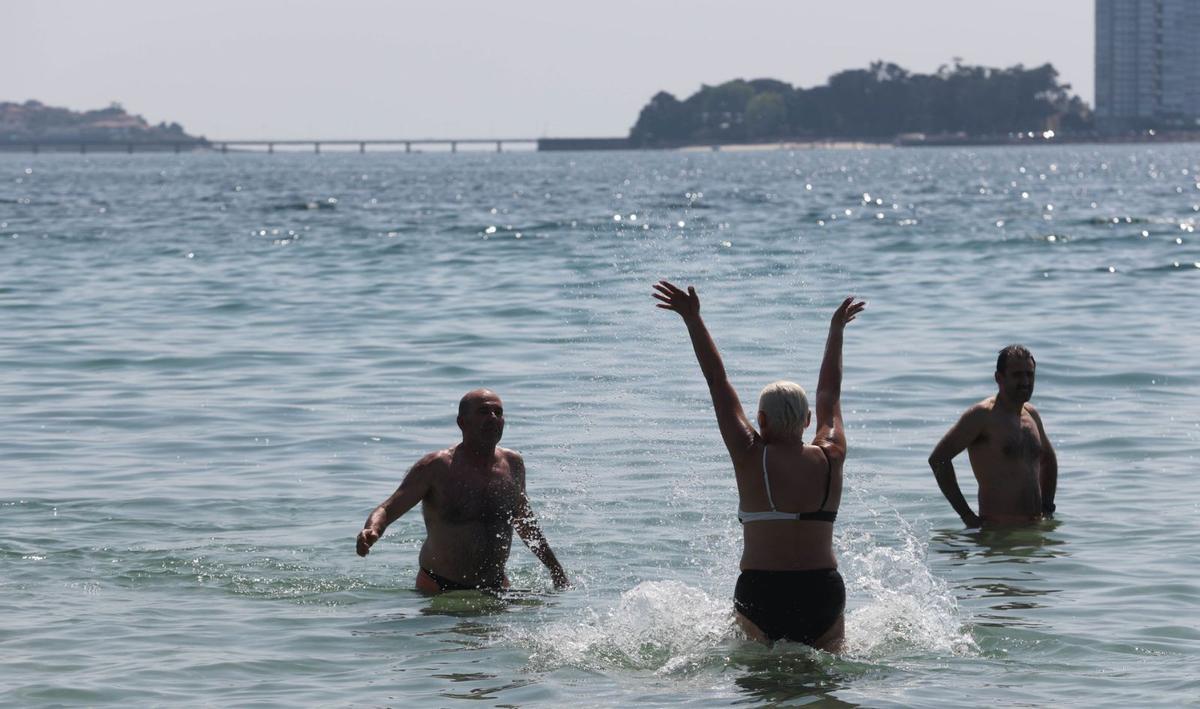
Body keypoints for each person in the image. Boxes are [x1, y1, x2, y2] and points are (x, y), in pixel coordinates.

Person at [653, 280, 866, 652]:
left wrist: (693, 319)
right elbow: (830, 393)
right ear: (807, 421)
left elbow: (717, 381)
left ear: (762, 421)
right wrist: (836, 330)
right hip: (823, 590)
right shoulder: (832, 453)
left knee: (761, 688)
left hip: (762, 591)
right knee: (827, 687)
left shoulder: (750, 454)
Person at [355, 389, 569, 593]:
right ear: (462, 422)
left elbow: (524, 522)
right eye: (484, 412)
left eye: (498, 413)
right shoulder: (437, 466)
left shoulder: (513, 464)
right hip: (439, 588)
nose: (493, 418)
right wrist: (372, 530)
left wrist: (555, 569)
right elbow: (387, 508)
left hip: (495, 585)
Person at [928, 345, 1058, 528]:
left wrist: (1048, 507)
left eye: (1029, 374)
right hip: (997, 535)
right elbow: (939, 459)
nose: (1025, 381)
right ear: (999, 378)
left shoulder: (1032, 414)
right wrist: (967, 516)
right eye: (1017, 375)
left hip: (1034, 531)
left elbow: (1048, 458)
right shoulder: (982, 415)